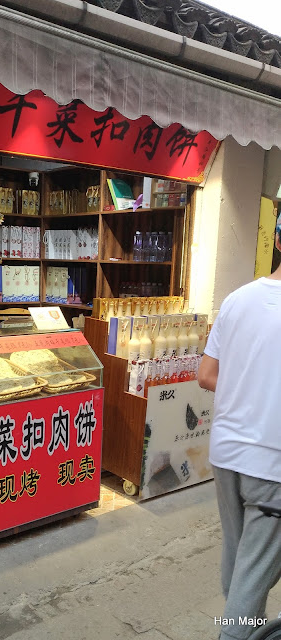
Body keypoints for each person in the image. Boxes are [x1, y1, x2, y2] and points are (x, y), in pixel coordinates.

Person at [198, 213, 281, 640]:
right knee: (254, 572)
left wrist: (250, 387)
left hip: (227, 453)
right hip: (272, 463)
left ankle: (243, 626)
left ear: (278, 241)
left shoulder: (236, 300)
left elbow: (206, 375)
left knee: (239, 561)